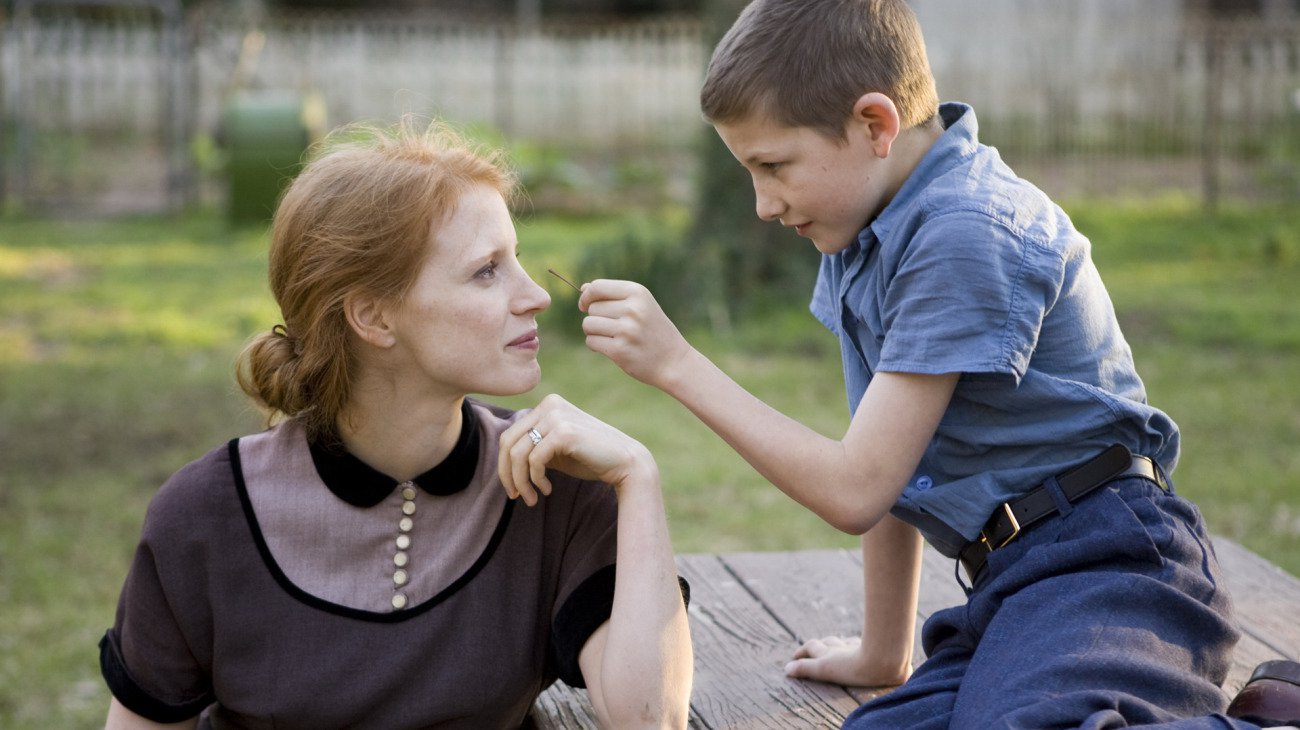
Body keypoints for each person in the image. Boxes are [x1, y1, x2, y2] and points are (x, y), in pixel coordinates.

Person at [532, 0, 1300, 727]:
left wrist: (676, 364)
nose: (764, 204)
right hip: (1014, 585)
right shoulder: (862, 233)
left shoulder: (963, 232)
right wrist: (881, 652)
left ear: (874, 123)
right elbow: (890, 466)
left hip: (1115, 567)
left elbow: (855, 489)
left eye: (775, 165)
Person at [98, 118, 693, 729]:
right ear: (374, 318)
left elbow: (651, 720)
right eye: (487, 270)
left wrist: (637, 477)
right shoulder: (205, 516)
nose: (535, 295)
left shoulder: (555, 481)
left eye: (516, 259)